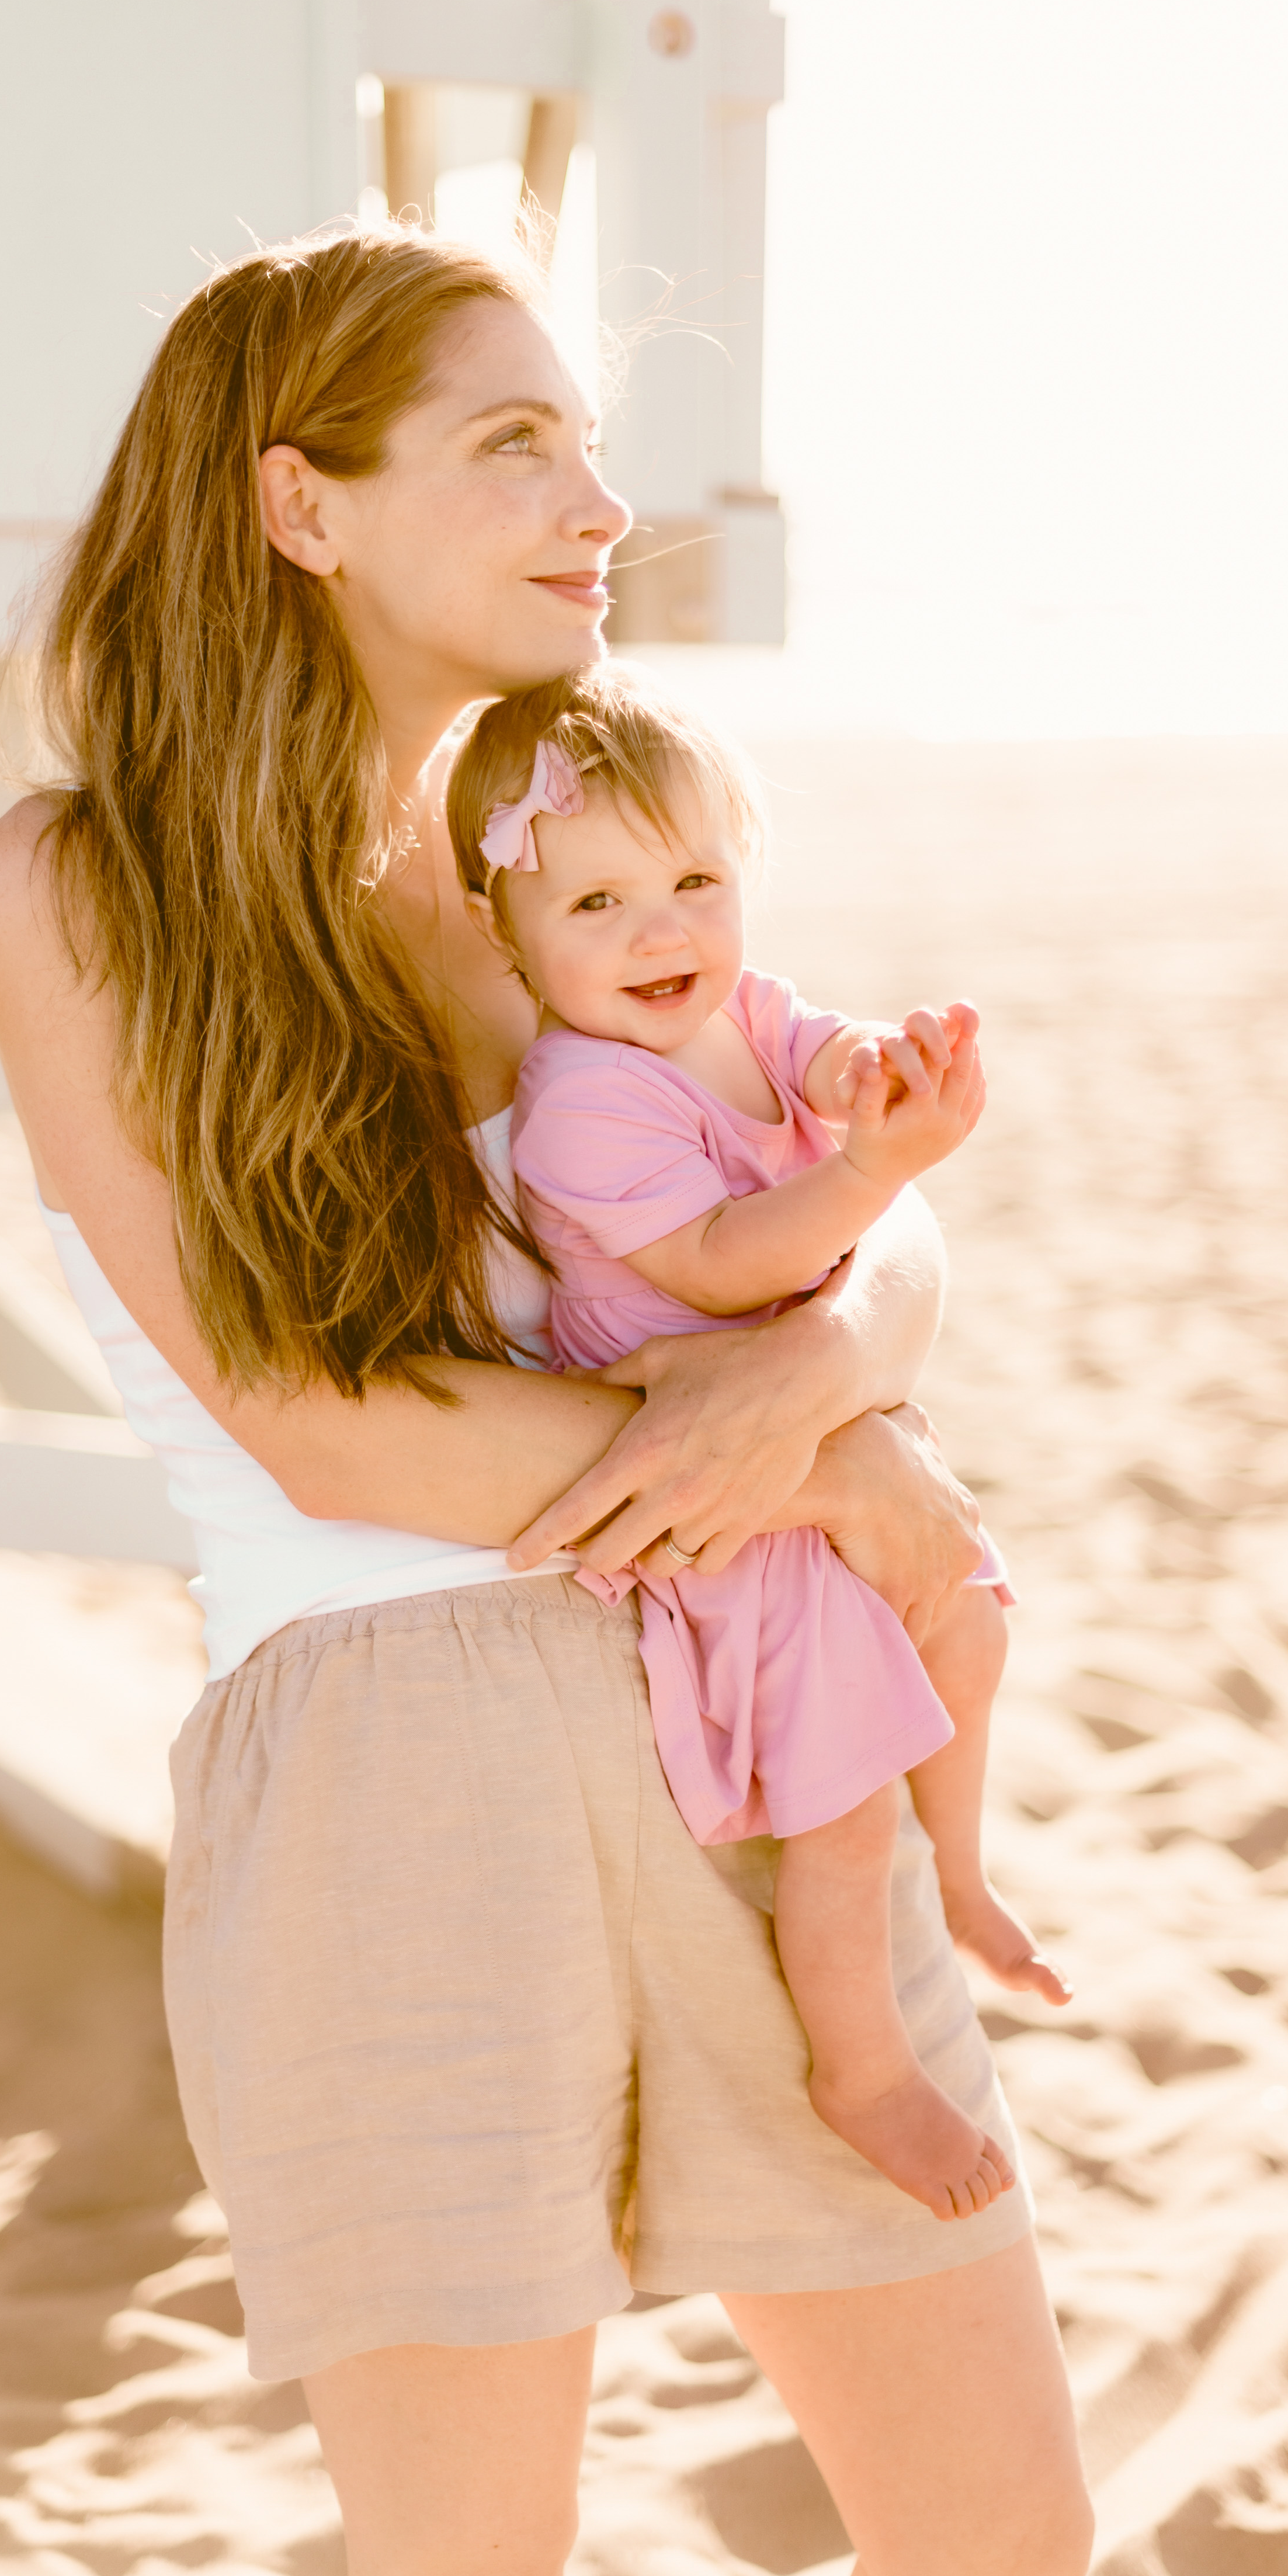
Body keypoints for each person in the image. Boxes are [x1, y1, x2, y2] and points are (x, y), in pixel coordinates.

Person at [0, 224, 1091, 2576]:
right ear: (298, 506)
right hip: (392, 1755)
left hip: (756, 1686)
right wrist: (784, 1441)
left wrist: (823, 1404)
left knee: (996, 2534)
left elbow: (856, 1221)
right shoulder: (82, 880)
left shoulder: (578, 836)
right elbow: (305, 1412)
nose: (601, 501)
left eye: (588, 439)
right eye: (513, 445)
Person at [446, 669, 1074, 2225]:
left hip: (809, 1424)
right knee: (838, 1818)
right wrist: (871, 1171)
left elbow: (812, 1051)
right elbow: (727, 1265)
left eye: (695, 884)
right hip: (724, 1491)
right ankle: (859, 2072)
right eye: (597, 900)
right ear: (505, 930)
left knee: (971, 1628)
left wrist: (875, 1076)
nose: (662, 934)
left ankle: (972, 1869)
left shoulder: (735, 1005)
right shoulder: (578, 1101)